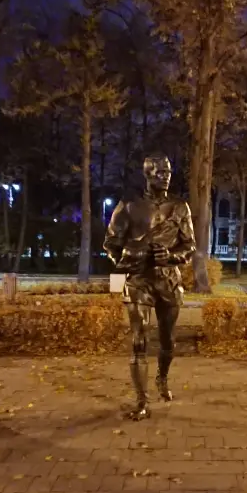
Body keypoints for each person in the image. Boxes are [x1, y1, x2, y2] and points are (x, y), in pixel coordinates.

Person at [103, 153, 196, 420]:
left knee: (168, 342)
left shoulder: (180, 207)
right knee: (138, 340)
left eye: (168, 172)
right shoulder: (130, 205)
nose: (165, 176)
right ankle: (141, 402)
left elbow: (189, 245)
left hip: (168, 280)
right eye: (160, 172)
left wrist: (172, 257)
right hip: (138, 281)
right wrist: (128, 258)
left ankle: (162, 379)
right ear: (147, 174)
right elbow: (111, 243)